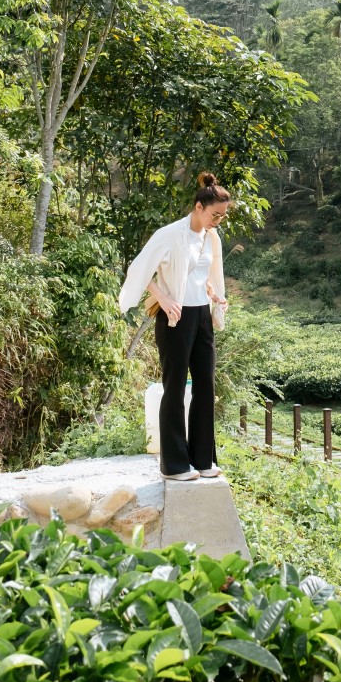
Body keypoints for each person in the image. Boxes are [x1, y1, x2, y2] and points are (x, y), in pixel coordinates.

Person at [119, 172, 230, 481]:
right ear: (198, 207)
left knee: (205, 386)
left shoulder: (210, 237)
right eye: (215, 215)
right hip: (175, 319)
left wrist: (212, 293)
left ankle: (203, 459)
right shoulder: (169, 234)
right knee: (175, 388)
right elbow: (138, 269)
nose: (218, 221)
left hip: (202, 316)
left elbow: (200, 273)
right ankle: (175, 466)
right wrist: (163, 297)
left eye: (223, 216)